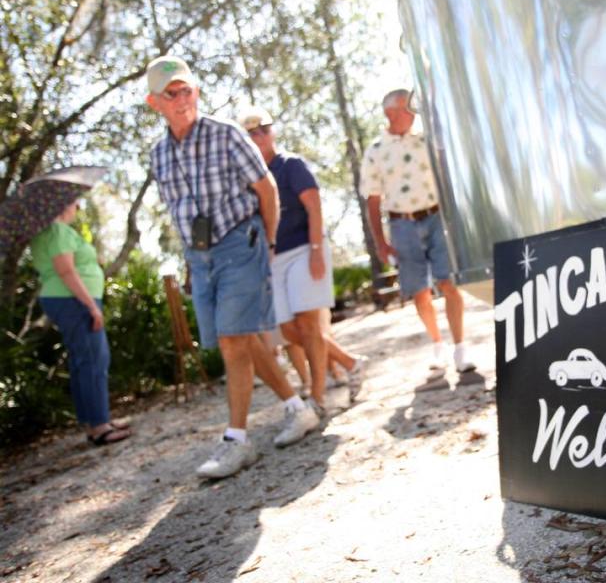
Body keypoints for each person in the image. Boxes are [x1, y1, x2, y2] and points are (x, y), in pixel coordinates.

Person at [145, 56, 318, 479]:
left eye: (187, 89)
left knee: (232, 339)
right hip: (199, 257)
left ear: (196, 93)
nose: (183, 98)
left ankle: (236, 439)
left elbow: (266, 188)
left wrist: (270, 241)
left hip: (241, 241)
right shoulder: (159, 155)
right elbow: (178, 212)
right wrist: (189, 262)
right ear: (155, 103)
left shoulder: (226, 135)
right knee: (239, 339)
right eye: (173, 93)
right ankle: (298, 408)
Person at [237, 106, 364, 411]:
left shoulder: (290, 165)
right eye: (251, 134)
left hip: (304, 250)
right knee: (288, 331)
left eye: (263, 130)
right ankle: (351, 362)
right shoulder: (246, 179)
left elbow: (314, 208)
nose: (259, 137)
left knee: (308, 325)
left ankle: (318, 398)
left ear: (272, 131)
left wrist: (317, 251)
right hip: (273, 258)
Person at [360, 89, 476, 387]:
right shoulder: (375, 150)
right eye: (407, 109)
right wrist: (380, 242)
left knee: (447, 282)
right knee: (419, 291)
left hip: (436, 217)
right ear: (391, 114)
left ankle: (461, 348)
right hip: (402, 226)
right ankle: (438, 345)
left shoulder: (427, 141)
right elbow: (373, 199)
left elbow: (450, 176)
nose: (413, 113)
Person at [31, 199, 132, 446]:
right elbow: (66, 271)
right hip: (73, 301)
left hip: (65, 299)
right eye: (75, 202)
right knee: (93, 359)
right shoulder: (57, 231)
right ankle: (99, 426)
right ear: (63, 205)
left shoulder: (47, 232)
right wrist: (90, 306)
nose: (77, 206)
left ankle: (95, 420)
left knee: (83, 360)